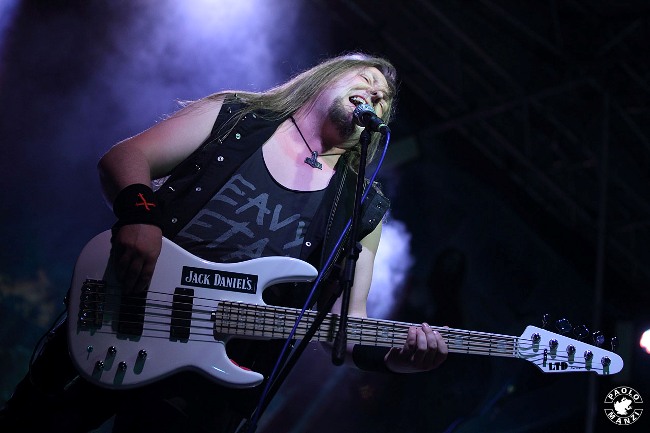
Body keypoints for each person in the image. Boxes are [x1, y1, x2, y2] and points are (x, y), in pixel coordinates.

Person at [0, 52, 448, 433]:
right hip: (125, 309)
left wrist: (397, 360)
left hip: (208, 383)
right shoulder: (235, 117)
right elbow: (126, 157)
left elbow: (346, 326)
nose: (375, 94)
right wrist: (140, 216)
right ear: (325, 78)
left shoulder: (362, 208)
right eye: (365, 80)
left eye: (383, 98)